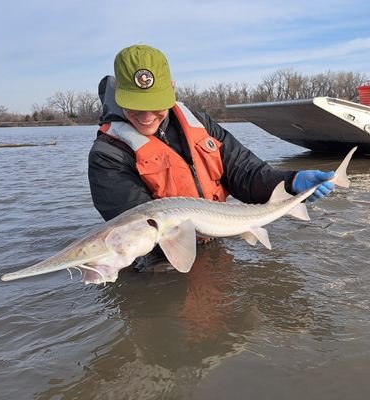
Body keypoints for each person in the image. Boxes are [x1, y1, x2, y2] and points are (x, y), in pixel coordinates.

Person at [88, 44, 334, 270]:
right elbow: (137, 226)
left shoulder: (199, 124)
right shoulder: (108, 154)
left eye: (154, 104)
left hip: (216, 237)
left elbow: (245, 172)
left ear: (171, 89)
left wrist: (290, 183)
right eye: (136, 106)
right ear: (119, 94)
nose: (145, 116)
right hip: (160, 258)